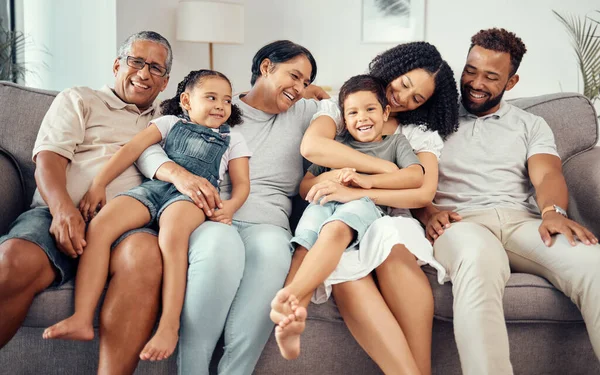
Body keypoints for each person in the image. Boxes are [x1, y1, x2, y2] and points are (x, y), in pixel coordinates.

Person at [135, 40, 328, 374]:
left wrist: (320, 93)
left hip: (269, 223)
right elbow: (149, 146)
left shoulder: (308, 114)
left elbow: (357, 108)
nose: (299, 88)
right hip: (210, 216)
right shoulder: (217, 103)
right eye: (294, 76)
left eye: (305, 82)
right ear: (266, 67)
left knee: (273, 253)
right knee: (220, 246)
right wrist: (178, 175)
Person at [415, 28, 600, 375]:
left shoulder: (530, 124)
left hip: (522, 221)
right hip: (460, 222)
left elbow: (546, 174)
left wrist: (553, 212)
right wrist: (427, 212)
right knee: (478, 258)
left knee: (593, 264)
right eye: (471, 70)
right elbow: (407, 174)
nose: (475, 82)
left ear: (511, 82)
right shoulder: (431, 118)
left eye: (490, 76)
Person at [271, 41, 459, 375]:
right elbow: (313, 147)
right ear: (393, 68)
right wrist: (380, 171)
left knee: (389, 237)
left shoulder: (413, 134)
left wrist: (362, 188)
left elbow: (422, 190)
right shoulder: (347, 109)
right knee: (340, 260)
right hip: (335, 211)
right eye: (403, 83)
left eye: (417, 98)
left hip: (389, 214)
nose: (402, 97)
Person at [42, 69, 251, 362]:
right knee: (101, 225)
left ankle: (169, 325)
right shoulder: (168, 123)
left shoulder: (233, 138)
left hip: (191, 198)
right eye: (212, 97)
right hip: (154, 188)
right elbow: (131, 150)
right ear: (187, 101)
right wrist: (99, 184)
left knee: (171, 239)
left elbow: (242, 184)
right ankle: (81, 317)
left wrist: (230, 206)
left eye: (227, 101)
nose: (220, 106)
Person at [0, 31, 173, 374]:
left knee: (144, 256)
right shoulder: (80, 98)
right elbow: (48, 160)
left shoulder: (172, 121)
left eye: (155, 68)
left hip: (128, 228)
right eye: (135, 61)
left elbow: (228, 102)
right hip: (58, 212)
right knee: (12, 260)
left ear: (165, 82)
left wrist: (312, 94)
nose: (143, 73)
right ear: (116, 65)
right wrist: (63, 210)